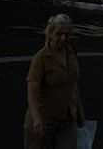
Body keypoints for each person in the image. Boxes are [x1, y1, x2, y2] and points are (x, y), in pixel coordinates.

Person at [24, 13, 85, 149]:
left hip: (67, 118)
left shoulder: (72, 53)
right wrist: (36, 119)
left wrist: (80, 112)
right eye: (59, 34)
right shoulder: (40, 58)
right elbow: (32, 91)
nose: (63, 38)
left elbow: (73, 84)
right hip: (44, 120)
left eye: (67, 35)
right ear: (50, 33)